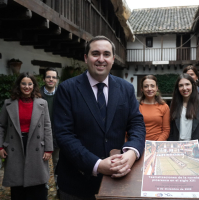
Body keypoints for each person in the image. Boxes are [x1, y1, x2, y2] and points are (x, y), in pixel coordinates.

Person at [53, 35, 146, 199]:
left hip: (117, 181)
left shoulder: (126, 88)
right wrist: (96, 164)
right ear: (86, 58)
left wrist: (131, 152)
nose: (101, 59)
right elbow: (64, 135)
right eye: (95, 53)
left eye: (106, 54)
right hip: (77, 183)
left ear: (113, 59)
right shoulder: (67, 89)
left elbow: (136, 124)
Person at [0, 72, 53, 200]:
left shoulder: (42, 103)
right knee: (17, 184)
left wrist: (48, 148)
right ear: (19, 85)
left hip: (36, 144)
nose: (27, 87)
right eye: (23, 83)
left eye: (30, 84)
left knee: (38, 186)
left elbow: (47, 126)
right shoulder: (8, 103)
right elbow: (0, 125)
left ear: (34, 85)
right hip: (15, 144)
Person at [168, 73, 199, 167]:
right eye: (181, 85)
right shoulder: (174, 104)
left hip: (195, 149)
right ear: (177, 88)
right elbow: (171, 130)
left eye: (187, 84)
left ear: (193, 85)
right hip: (177, 148)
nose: (184, 88)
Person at [39, 67, 59, 196]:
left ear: (57, 80)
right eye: (48, 77)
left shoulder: (62, 94)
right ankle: (42, 187)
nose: (51, 79)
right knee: (41, 162)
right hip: (40, 135)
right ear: (44, 79)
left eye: (53, 77)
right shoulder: (36, 94)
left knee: (58, 162)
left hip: (57, 134)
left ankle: (59, 186)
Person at [139, 75, 170, 141]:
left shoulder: (164, 106)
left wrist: (156, 145)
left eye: (152, 86)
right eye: (146, 86)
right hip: (139, 144)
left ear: (156, 88)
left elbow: (166, 130)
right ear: (142, 89)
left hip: (157, 145)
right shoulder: (136, 106)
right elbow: (130, 129)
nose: (149, 89)